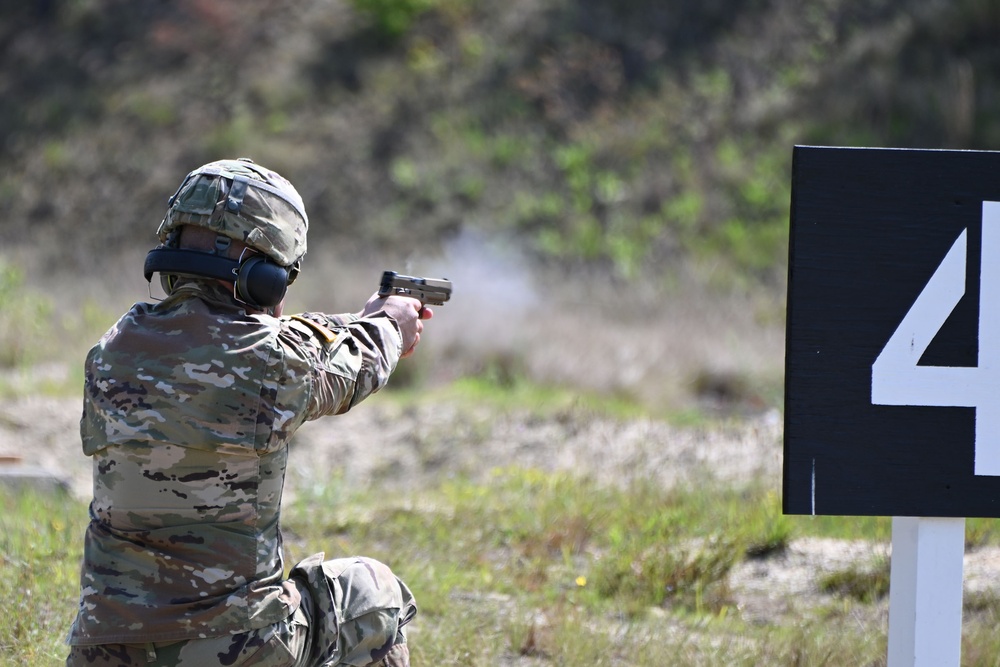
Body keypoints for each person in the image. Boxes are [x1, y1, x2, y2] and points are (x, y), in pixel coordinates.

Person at [66, 158, 426, 667]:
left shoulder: (112, 350)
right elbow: (354, 365)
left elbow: (275, 340)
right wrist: (391, 324)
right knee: (373, 592)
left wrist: (359, 318)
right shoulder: (275, 362)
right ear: (266, 278)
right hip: (231, 650)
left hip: (103, 652)